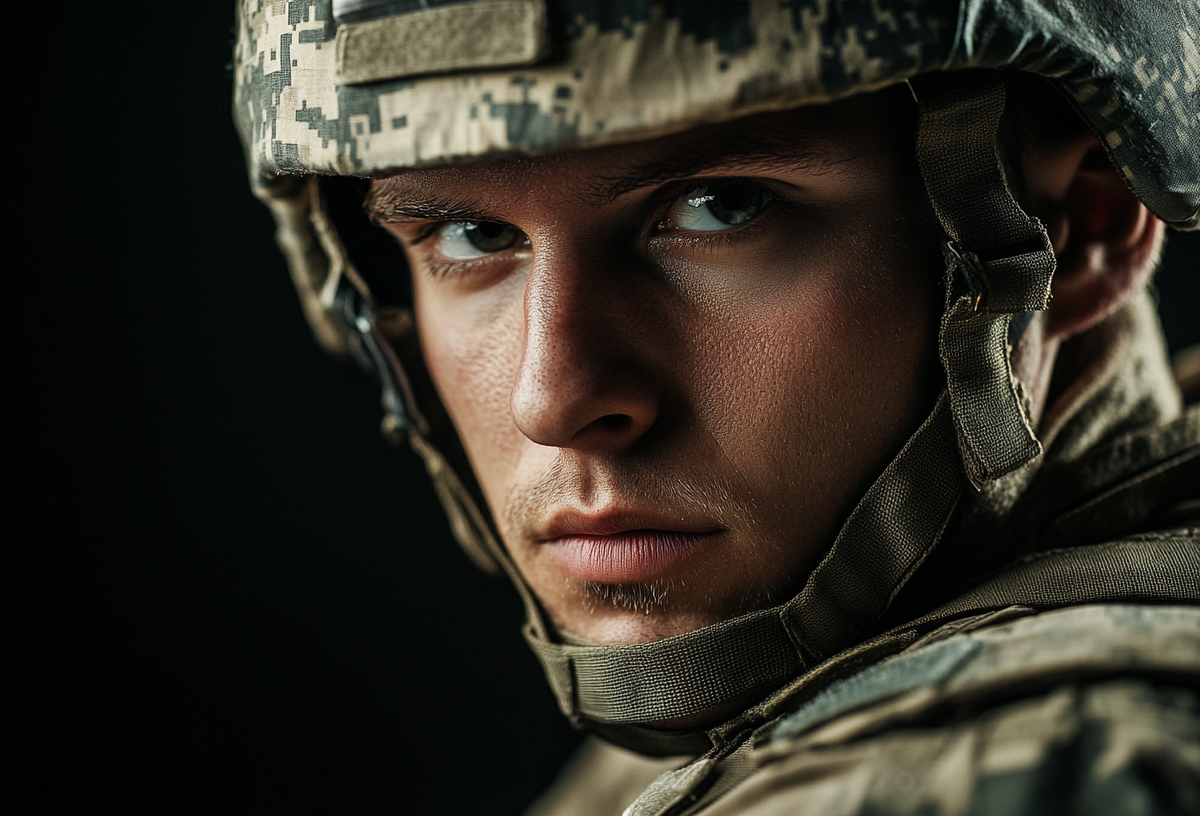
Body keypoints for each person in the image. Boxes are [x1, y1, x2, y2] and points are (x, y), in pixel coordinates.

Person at [233, 1, 1200, 812]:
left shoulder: (1023, 764)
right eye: (473, 231)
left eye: (720, 206)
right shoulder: (774, 705)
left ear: (1078, 232)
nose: (554, 398)